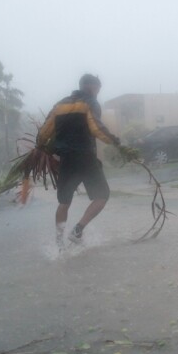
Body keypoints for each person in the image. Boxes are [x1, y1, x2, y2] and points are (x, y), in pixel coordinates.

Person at [37, 74, 121, 249]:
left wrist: (42, 146)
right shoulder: (89, 103)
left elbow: (45, 131)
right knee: (102, 196)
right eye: (98, 88)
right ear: (91, 86)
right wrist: (114, 141)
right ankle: (77, 230)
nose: (98, 92)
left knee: (64, 202)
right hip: (86, 158)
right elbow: (96, 127)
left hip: (67, 160)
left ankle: (59, 243)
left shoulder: (60, 105)